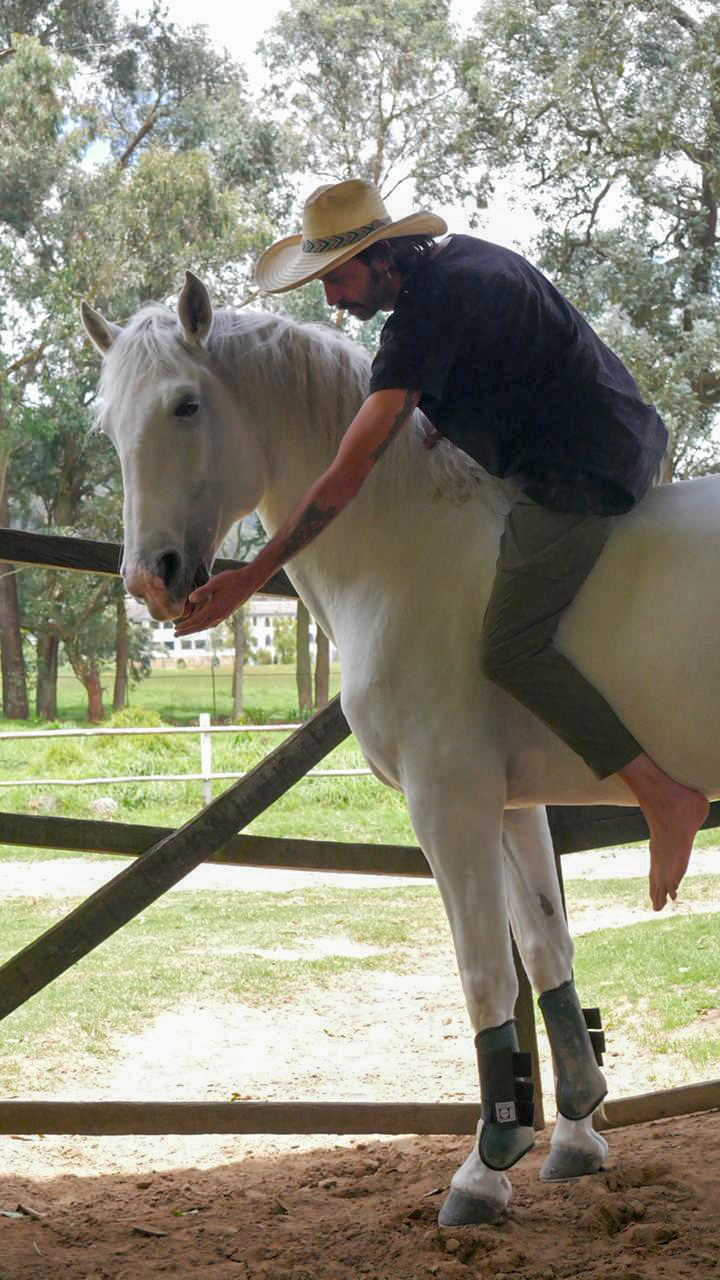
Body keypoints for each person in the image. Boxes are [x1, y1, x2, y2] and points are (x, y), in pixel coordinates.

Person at [175, 177, 708, 910]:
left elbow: (349, 469)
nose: (331, 299)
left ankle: (663, 797)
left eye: (336, 277)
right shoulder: (466, 265)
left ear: (383, 257)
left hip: (584, 475)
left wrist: (251, 573)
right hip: (616, 434)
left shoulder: (421, 320)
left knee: (508, 648)